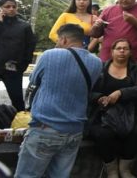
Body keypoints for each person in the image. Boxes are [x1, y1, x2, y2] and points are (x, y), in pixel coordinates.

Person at [14, 24, 101, 178]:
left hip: (45, 129)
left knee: (27, 175)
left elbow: (34, 81)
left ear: (64, 39)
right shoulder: (96, 62)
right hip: (75, 131)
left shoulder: (50, 55)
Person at [89, 38, 137, 178]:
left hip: (129, 111)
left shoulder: (136, 68)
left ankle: (125, 168)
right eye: (118, 48)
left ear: (130, 52)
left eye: (125, 48)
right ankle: (111, 169)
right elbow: (88, 90)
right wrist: (99, 97)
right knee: (103, 134)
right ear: (112, 51)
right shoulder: (100, 67)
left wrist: (121, 93)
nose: (122, 51)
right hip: (103, 112)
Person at [0, 0, 36, 111]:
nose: (11, 9)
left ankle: (18, 124)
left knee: (17, 100)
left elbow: (30, 46)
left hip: (12, 68)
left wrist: (23, 65)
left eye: (14, 7)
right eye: (7, 7)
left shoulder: (24, 26)